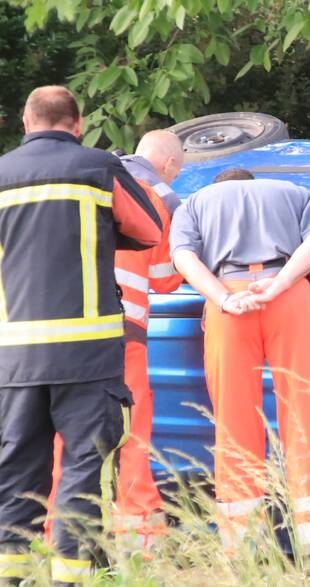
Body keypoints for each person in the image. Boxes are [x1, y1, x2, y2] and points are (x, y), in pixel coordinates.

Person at [0, 86, 162, 583]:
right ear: (78, 123)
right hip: (87, 356)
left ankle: (12, 575)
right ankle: (74, 576)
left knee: (17, 472)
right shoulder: (98, 166)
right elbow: (151, 231)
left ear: (26, 123)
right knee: (82, 468)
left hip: (16, 356)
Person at [169, 168, 310, 552]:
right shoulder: (297, 190)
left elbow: (183, 258)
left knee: (233, 419)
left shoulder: (194, 203)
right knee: (304, 411)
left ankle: (244, 546)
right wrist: (280, 284)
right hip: (289, 296)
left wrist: (224, 297)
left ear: (221, 187)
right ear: (251, 181)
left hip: (228, 301)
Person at [47, 130, 185, 552]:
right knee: (131, 435)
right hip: (125, 337)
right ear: (170, 166)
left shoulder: (70, 190)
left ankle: (58, 535)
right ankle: (138, 536)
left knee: (64, 436)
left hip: (64, 336)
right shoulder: (153, 198)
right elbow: (166, 281)